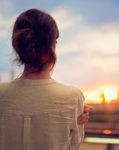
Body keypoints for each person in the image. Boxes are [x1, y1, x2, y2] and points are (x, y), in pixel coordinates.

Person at [0, 9, 92, 150]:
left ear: (18, 46)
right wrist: (74, 112)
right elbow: (73, 145)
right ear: (52, 45)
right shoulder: (73, 97)